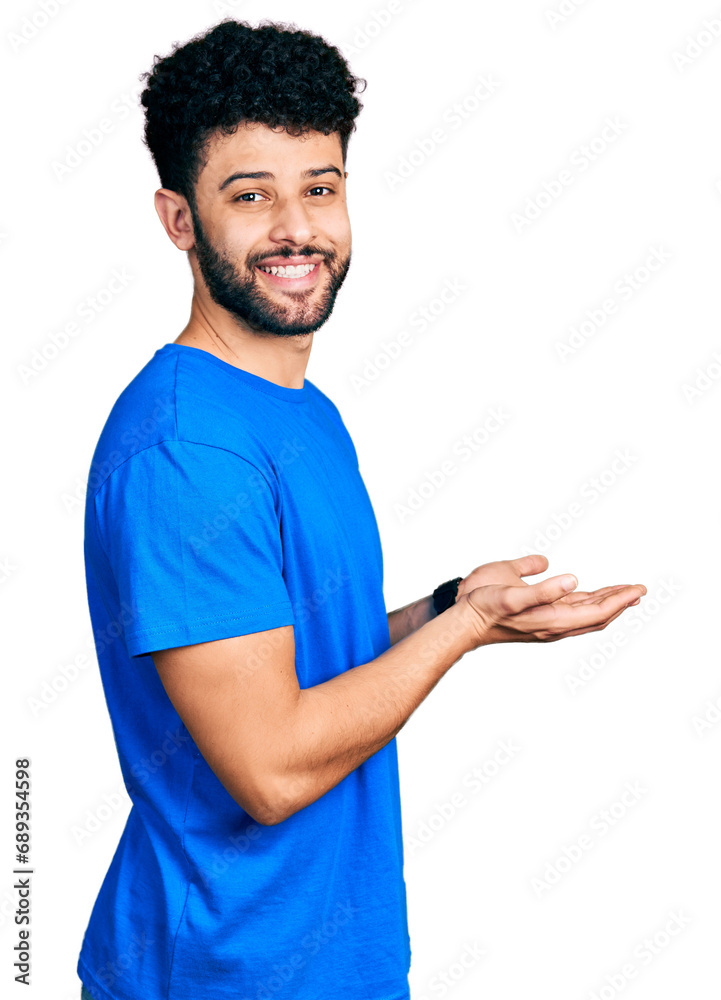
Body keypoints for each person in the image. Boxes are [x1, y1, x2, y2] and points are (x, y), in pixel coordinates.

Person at [76, 18, 646, 1000]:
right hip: (221, 974)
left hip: (337, 965)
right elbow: (271, 770)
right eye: (249, 195)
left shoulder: (300, 411)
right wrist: (464, 631)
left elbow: (294, 660)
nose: (296, 228)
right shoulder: (188, 450)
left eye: (320, 188)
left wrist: (449, 607)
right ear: (179, 220)